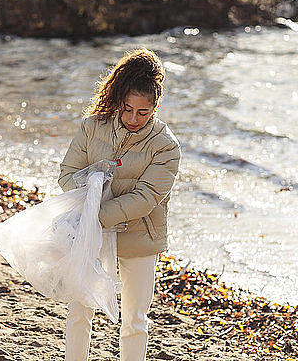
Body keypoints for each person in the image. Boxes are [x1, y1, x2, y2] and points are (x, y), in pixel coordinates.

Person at [58, 48, 181, 361]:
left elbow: (146, 198)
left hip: (139, 237)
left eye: (143, 113)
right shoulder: (92, 127)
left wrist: (94, 215)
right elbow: (67, 174)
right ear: (119, 100)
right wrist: (88, 191)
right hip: (90, 234)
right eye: (127, 109)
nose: (133, 119)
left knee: (134, 320)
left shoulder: (165, 145)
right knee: (79, 310)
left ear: (155, 108)